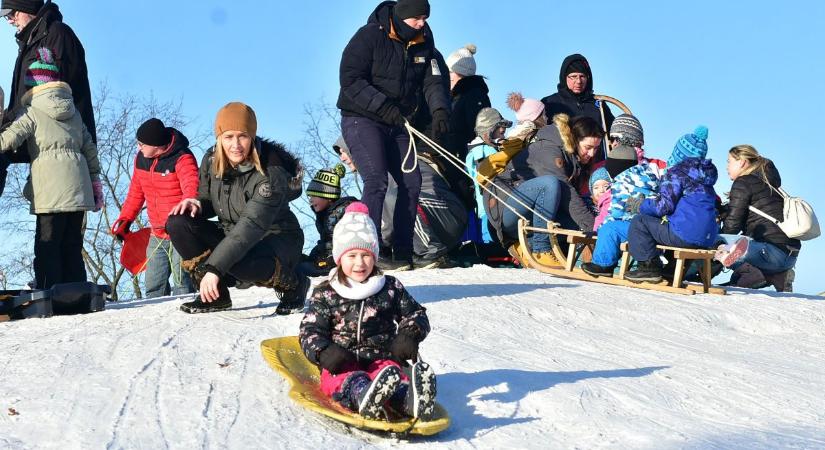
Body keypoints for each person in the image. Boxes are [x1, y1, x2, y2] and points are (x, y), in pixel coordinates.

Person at [337, 0, 451, 270]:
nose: (422, 23)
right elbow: (351, 79)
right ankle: (370, 250)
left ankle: (402, 250)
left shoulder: (425, 41)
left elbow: (433, 79)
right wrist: (383, 107)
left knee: (411, 182)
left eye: (425, 17)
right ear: (402, 17)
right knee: (376, 181)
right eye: (417, 18)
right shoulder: (369, 36)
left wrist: (440, 110)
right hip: (362, 118)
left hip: (399, 122)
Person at [166, 102, 308, 315]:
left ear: (252, 136)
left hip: (275, 238)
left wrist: (214, 269)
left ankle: (293, 284)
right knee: (178, 222)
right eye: (228, 137)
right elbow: (207, 198)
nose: (235, 145)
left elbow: (249, 227)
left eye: (242, 136)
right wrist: (196, 203)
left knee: (234, 260)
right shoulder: (211, 159)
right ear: (219, 138)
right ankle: (216, 296)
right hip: (232, 233)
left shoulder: (270, 174)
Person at [299, 202, 436, 420]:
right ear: (339, 257)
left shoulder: (389, 287)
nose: (359, 263)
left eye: (366, 255)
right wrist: (323, 351)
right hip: (341, 362)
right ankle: (364, 396)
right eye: (351, 256)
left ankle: (408, 400)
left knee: (393, 375)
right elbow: (309, 330)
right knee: (347, 379)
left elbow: (415, 314)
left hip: (382, 358)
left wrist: (409, 334)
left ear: (375, 256)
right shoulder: (327, 292)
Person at [0, 48, 100, 289]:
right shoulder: (74, 112)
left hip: (50, 191)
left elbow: (7, 141)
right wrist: (95, 182)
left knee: (47, 244)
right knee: (72, 243)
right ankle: (76, 289)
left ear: (32, 87)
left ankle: (49, 290)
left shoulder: (32, 112)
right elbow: (90, 149)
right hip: (78, 189)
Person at [481, 103, 601, 264]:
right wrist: (593, 228)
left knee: (577, 222)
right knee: (550, 184)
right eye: (588, 147)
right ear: (574, 139)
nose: (592, 153)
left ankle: (531, 246)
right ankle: (541, 249)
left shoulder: (573, 159)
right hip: (505, 209)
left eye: (596, 148)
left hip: (531, 214)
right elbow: (567, 193)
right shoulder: (549, 148)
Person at [1, 0, 95, 198]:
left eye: (12, 14)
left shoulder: (58, 35)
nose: (9, 21)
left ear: (27, 8)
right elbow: (22, 98)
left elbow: (57, 96)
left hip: (56, 137)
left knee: (54, 214)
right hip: (29, 126)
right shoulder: (30, 40)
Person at [111, 118, 197, 298]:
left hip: (179, 233)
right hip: (156, 234)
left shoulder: (182, 158)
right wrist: (125, 220)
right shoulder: (141, 159)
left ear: (156, 145)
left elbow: (192, 184)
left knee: (182, 284)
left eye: (141, 144)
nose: (138, 147)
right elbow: (136, 192)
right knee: (153, 286)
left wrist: (190, 200)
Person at [625, 126, 719, 283]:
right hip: (708, 237)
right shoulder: (706, 180)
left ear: (678, 153)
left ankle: (648, 268)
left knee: (640, 222)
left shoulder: (676, 173)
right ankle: (672, 271)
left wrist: (641, 205)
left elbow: (664, 206)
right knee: (677, 226)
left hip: (685, 235)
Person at [714, 145, 799, 292]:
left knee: (716, 242)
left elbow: (732, 226)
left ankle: (749, 273)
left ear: (742, 162)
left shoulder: (743, 182)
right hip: (789, 256)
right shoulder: (769, 184)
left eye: (729, 161)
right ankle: (779, 276)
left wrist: (718, 240)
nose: (726, 166)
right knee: (738, 244)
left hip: (768, 252)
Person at [581, 147, 661, 277]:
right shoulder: (647, 176)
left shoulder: (622, 182)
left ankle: (603, 265)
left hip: (637, 228)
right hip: (651, 226)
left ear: (614, 167)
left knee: (610, 229)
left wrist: (599, 230)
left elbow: (616, 213)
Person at [541, 54, 613, 164]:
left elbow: (613, 130)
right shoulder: (550, 103)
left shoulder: (599, 105)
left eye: (582, 76)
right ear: (565, 77)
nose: (578, 81)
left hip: (595, 166)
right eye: (573, 76)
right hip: (562, 164)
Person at [300, 163, 357, 277]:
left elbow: (347, 242)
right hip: (329, 255)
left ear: (328, 196)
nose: (310, 200)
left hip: (342, 258)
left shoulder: (344, 212)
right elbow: (326, 241)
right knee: (299, 261)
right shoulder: (323, 215)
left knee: (303, 269)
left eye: (314, 196)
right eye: (309, 196)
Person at [446, 43, 490, 158]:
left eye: (450, 72)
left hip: (465, 157)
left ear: (459, 73)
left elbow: (476, 131)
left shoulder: (473, 95)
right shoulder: (458, 95)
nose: (447, 76)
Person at [589, 167, 612, 231]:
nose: (601, 190)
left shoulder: (613, 205)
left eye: (606, 186)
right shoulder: (587, 207)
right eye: (596, 187)